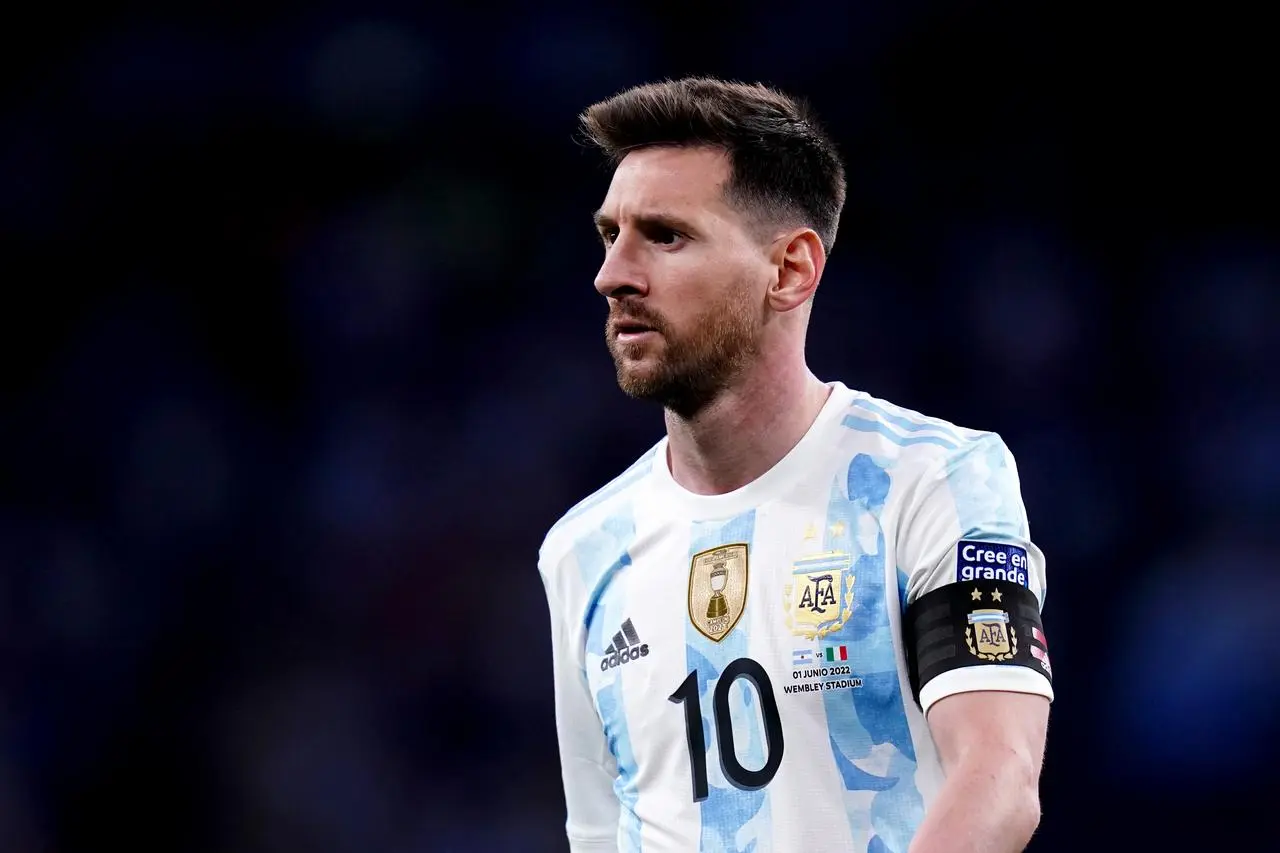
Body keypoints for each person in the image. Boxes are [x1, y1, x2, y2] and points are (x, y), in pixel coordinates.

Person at [537, 76, 1054, 853]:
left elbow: (999, 778)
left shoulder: (931, 482)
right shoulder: (583, 548)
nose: (614, 274)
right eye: (610, 235)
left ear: (789, 270)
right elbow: (600, 833)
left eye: (665, 236)